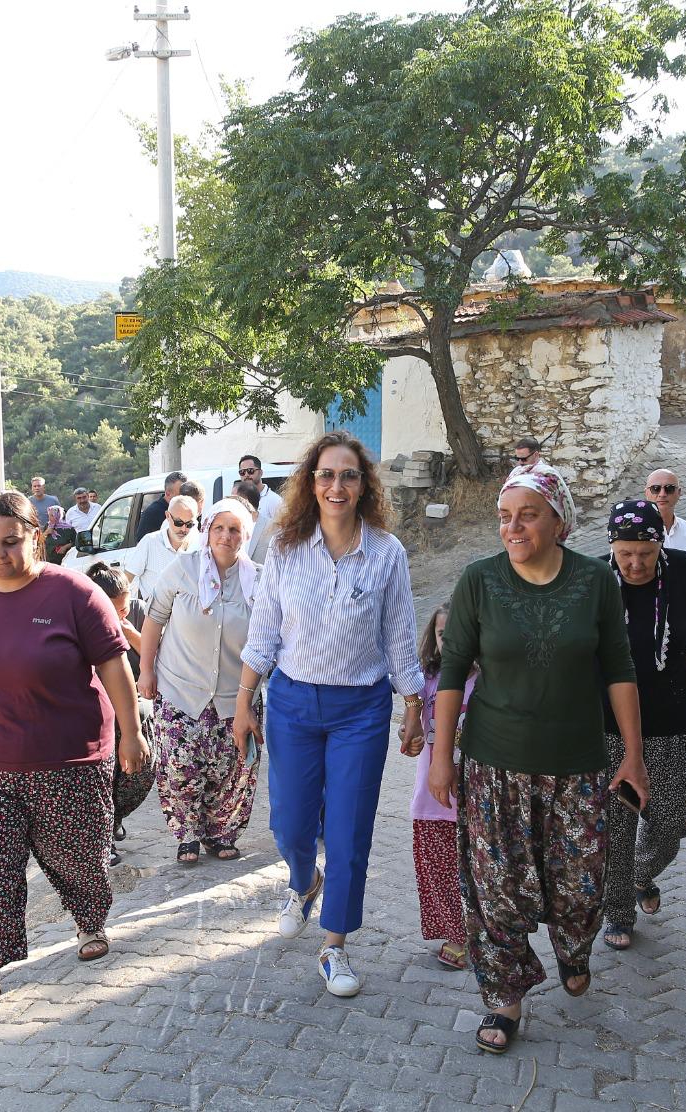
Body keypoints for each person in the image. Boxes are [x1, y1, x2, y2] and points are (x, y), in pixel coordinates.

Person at [428, 463, 649, 1054]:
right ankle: (504, 999)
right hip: (493, 764)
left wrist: (633, 756)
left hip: (577, 767)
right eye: (505, 516)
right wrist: (440, 757)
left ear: (558, 519)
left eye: (528, 515)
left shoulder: (596, 582)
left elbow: (620, 670)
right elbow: (452, 672)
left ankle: (574, 949)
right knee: (496, 888)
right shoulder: (478, 581)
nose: (514, 527)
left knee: (580, 886)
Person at [0, 490, 146, 1020]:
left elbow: (116, 668)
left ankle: (90, 918)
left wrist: (131, 734)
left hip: (69, 760)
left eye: (11, 542)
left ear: (35, 537)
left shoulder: (75, 594)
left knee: (79, 860)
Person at [233, 431, 424, 998]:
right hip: (292, 704)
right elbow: (264, 631)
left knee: (348, 834)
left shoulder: (388, 553)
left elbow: (399, 641)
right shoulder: (286, 548)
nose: (336, 485)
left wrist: (413, 704)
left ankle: (334, 945)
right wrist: (244, 700)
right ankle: (302, 881)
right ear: (309, 484)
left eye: (348, 475)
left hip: (360, 711)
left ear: (364, 485)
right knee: (289, 824)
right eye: (325, 475)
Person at [599, 499, 686, 951]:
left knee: (677, 814)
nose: (635, 563)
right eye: (625, 554)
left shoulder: (685, 572)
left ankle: (641, 871)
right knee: (616, 820)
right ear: (612, 548)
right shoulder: (596, 579)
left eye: (646, 553)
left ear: (661, 545)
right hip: (606, 725)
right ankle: (616, 910)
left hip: (673, 719)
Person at [140, 498, 260, 865]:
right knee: (180, 767)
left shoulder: (258, 578)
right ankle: (188, 834)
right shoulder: (183, 568)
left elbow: (269, 636)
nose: (225, 535)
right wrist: (146, 670)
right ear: (207, 530)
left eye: (234, 529)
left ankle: (222, 832)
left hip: (234, 696)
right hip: (180, 688)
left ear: (246, 535)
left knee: (233, 768)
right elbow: (155, 619)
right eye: (219, 528)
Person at [401, 605, 476, 971]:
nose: (451, 640)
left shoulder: (488, 681)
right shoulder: (425, 681)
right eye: (444, 634)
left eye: (460, 632)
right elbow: (409, 727)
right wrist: (409, 735)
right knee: (437, 870)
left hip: (478, 798)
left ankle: (486, 933)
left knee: (482, 872)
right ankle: (454, 934)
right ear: (435, 637)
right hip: (432, 799)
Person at [85, 561, 156, 867]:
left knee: (141, 774)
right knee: (100, 781)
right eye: (116, 610)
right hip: (94, 716)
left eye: (125, 607)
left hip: (135, 714)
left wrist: (131, 633)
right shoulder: (82, 617)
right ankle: (103, 838)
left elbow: (158, 656)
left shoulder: (137, 613)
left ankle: (114, 817)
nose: (122, 614)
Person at [643, 469, 686, 585]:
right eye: (655, 488)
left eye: (669, 488)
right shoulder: (632, 534)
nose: (662, 494)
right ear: (646, 492)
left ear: (679, 492)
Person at [127, 494, 201, 600]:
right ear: (167, 516)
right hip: (151, 613)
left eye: (189, 524)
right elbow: (127, 578)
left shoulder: (199, 545)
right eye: (178, 523)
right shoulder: (150, 542)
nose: (184, 529)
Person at [238, 454, 285, 564]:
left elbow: (283, 534)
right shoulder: (239, 501)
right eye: (242, 472)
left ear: (261, 472)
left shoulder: (275, 501)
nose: (246, 475)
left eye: (250, 471)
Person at [136, 471, 189, 540]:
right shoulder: (152, 514)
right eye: (180, 494)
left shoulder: (189, 510)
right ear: (168, 493)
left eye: (186, 494)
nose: (185, 498)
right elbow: (142, 544)